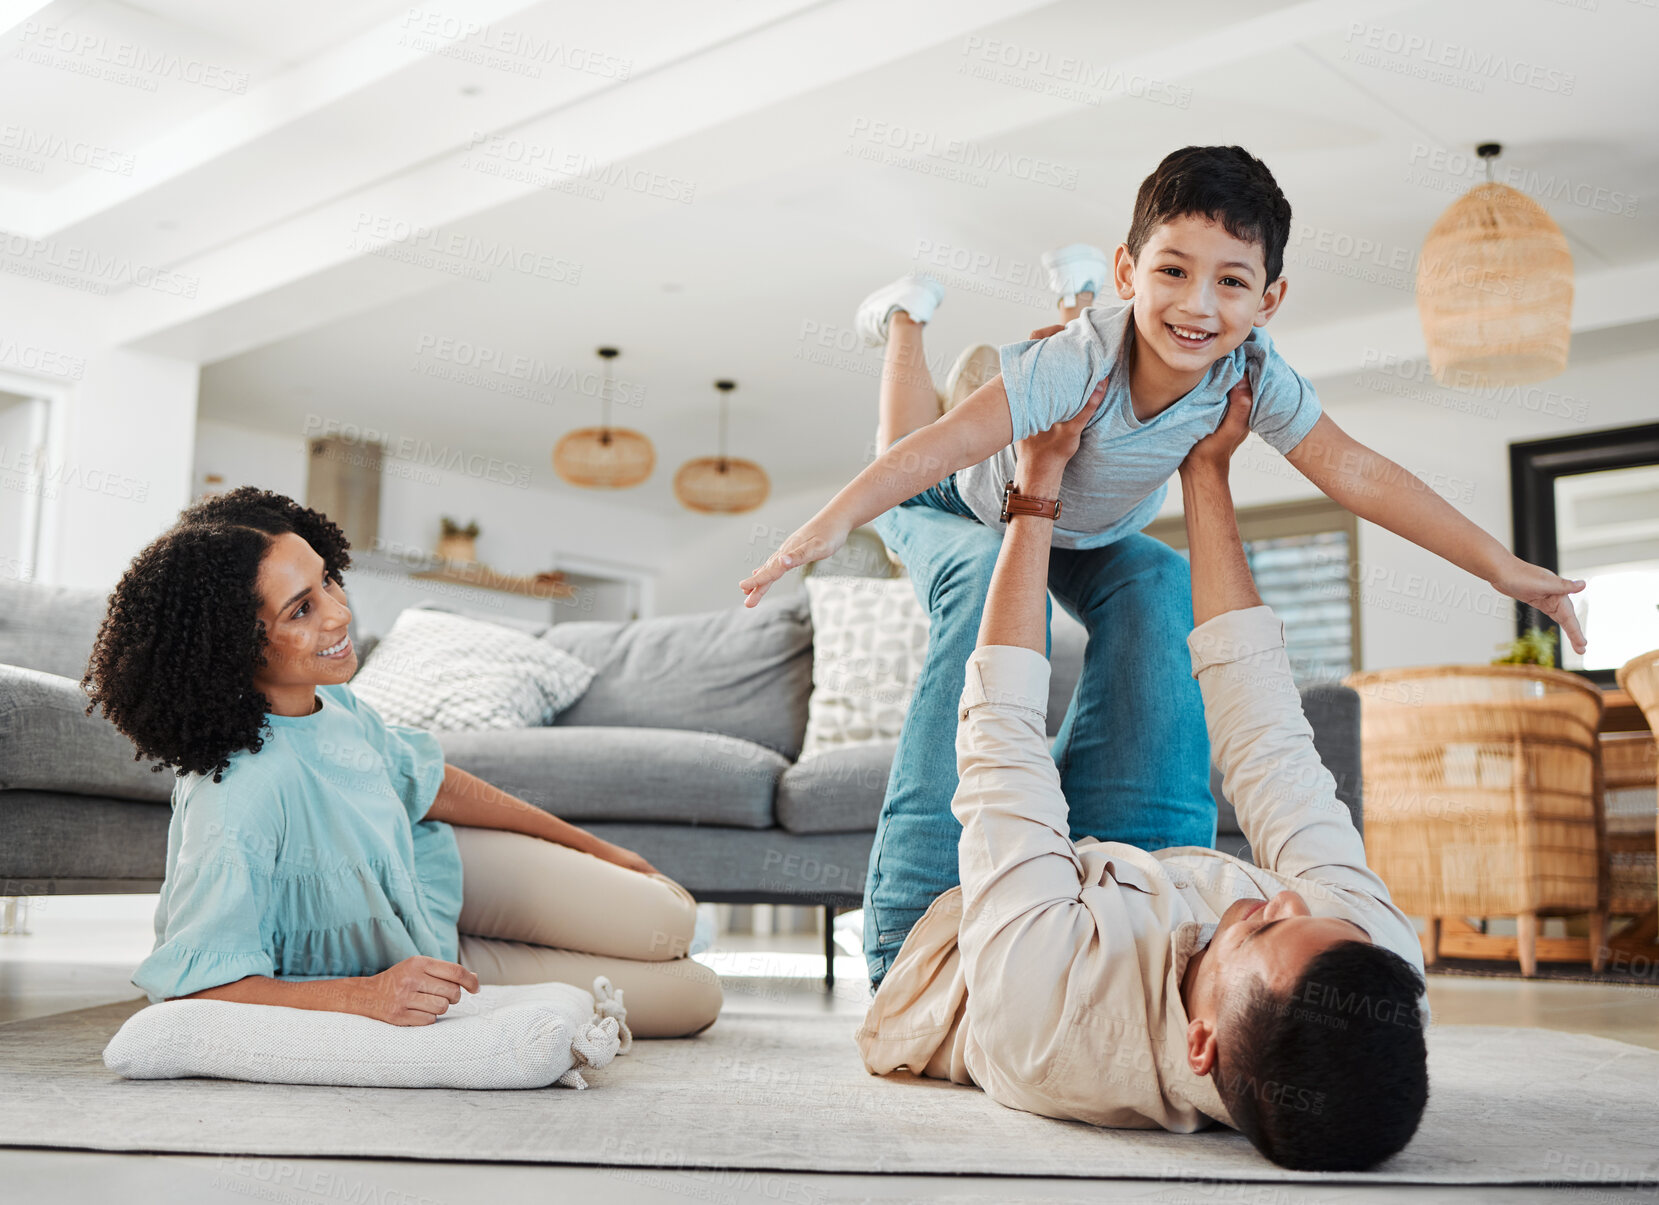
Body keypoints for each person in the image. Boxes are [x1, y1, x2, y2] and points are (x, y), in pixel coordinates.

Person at [741, 144, 1586, 983]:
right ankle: (905, 320)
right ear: (1130, 271)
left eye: (1229, 281)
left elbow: (1355, 469)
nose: (1197, 303)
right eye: (1172, 272)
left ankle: (1131, 911)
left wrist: (1498, 565)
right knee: (960, 549)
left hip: (1091, 526)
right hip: (962, 502)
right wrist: (827, 524)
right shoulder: (1074, 364)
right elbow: (940, 446)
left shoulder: (1250, 371)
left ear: (1269, 299)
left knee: (1159, 583)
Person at [855, 381, 1430, 1172]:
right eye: (1309, 914)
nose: (1283, 896)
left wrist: (1035, 493)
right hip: (1147, 886)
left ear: (1201, 1042)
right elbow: (1272, 749)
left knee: (980, 570)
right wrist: (1206, 469)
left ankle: (901, 491)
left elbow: (1000, 745)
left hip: (954, 931)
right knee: (1157, 582)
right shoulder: (1371, 966)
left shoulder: (1050, 1028)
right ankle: (1022, 473)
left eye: (1264, 926)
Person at [83, 488, 722, 1038]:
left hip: (439, 869)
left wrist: (599, 849)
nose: (340, 614)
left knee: (670, 915)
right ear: (231, 646)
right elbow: (193, 988)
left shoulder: (333, 702)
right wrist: (366, 996)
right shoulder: (236, 793)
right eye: (301, 609)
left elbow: (433, 782)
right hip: (426, 961)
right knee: (697, 997)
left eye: (327, 580)